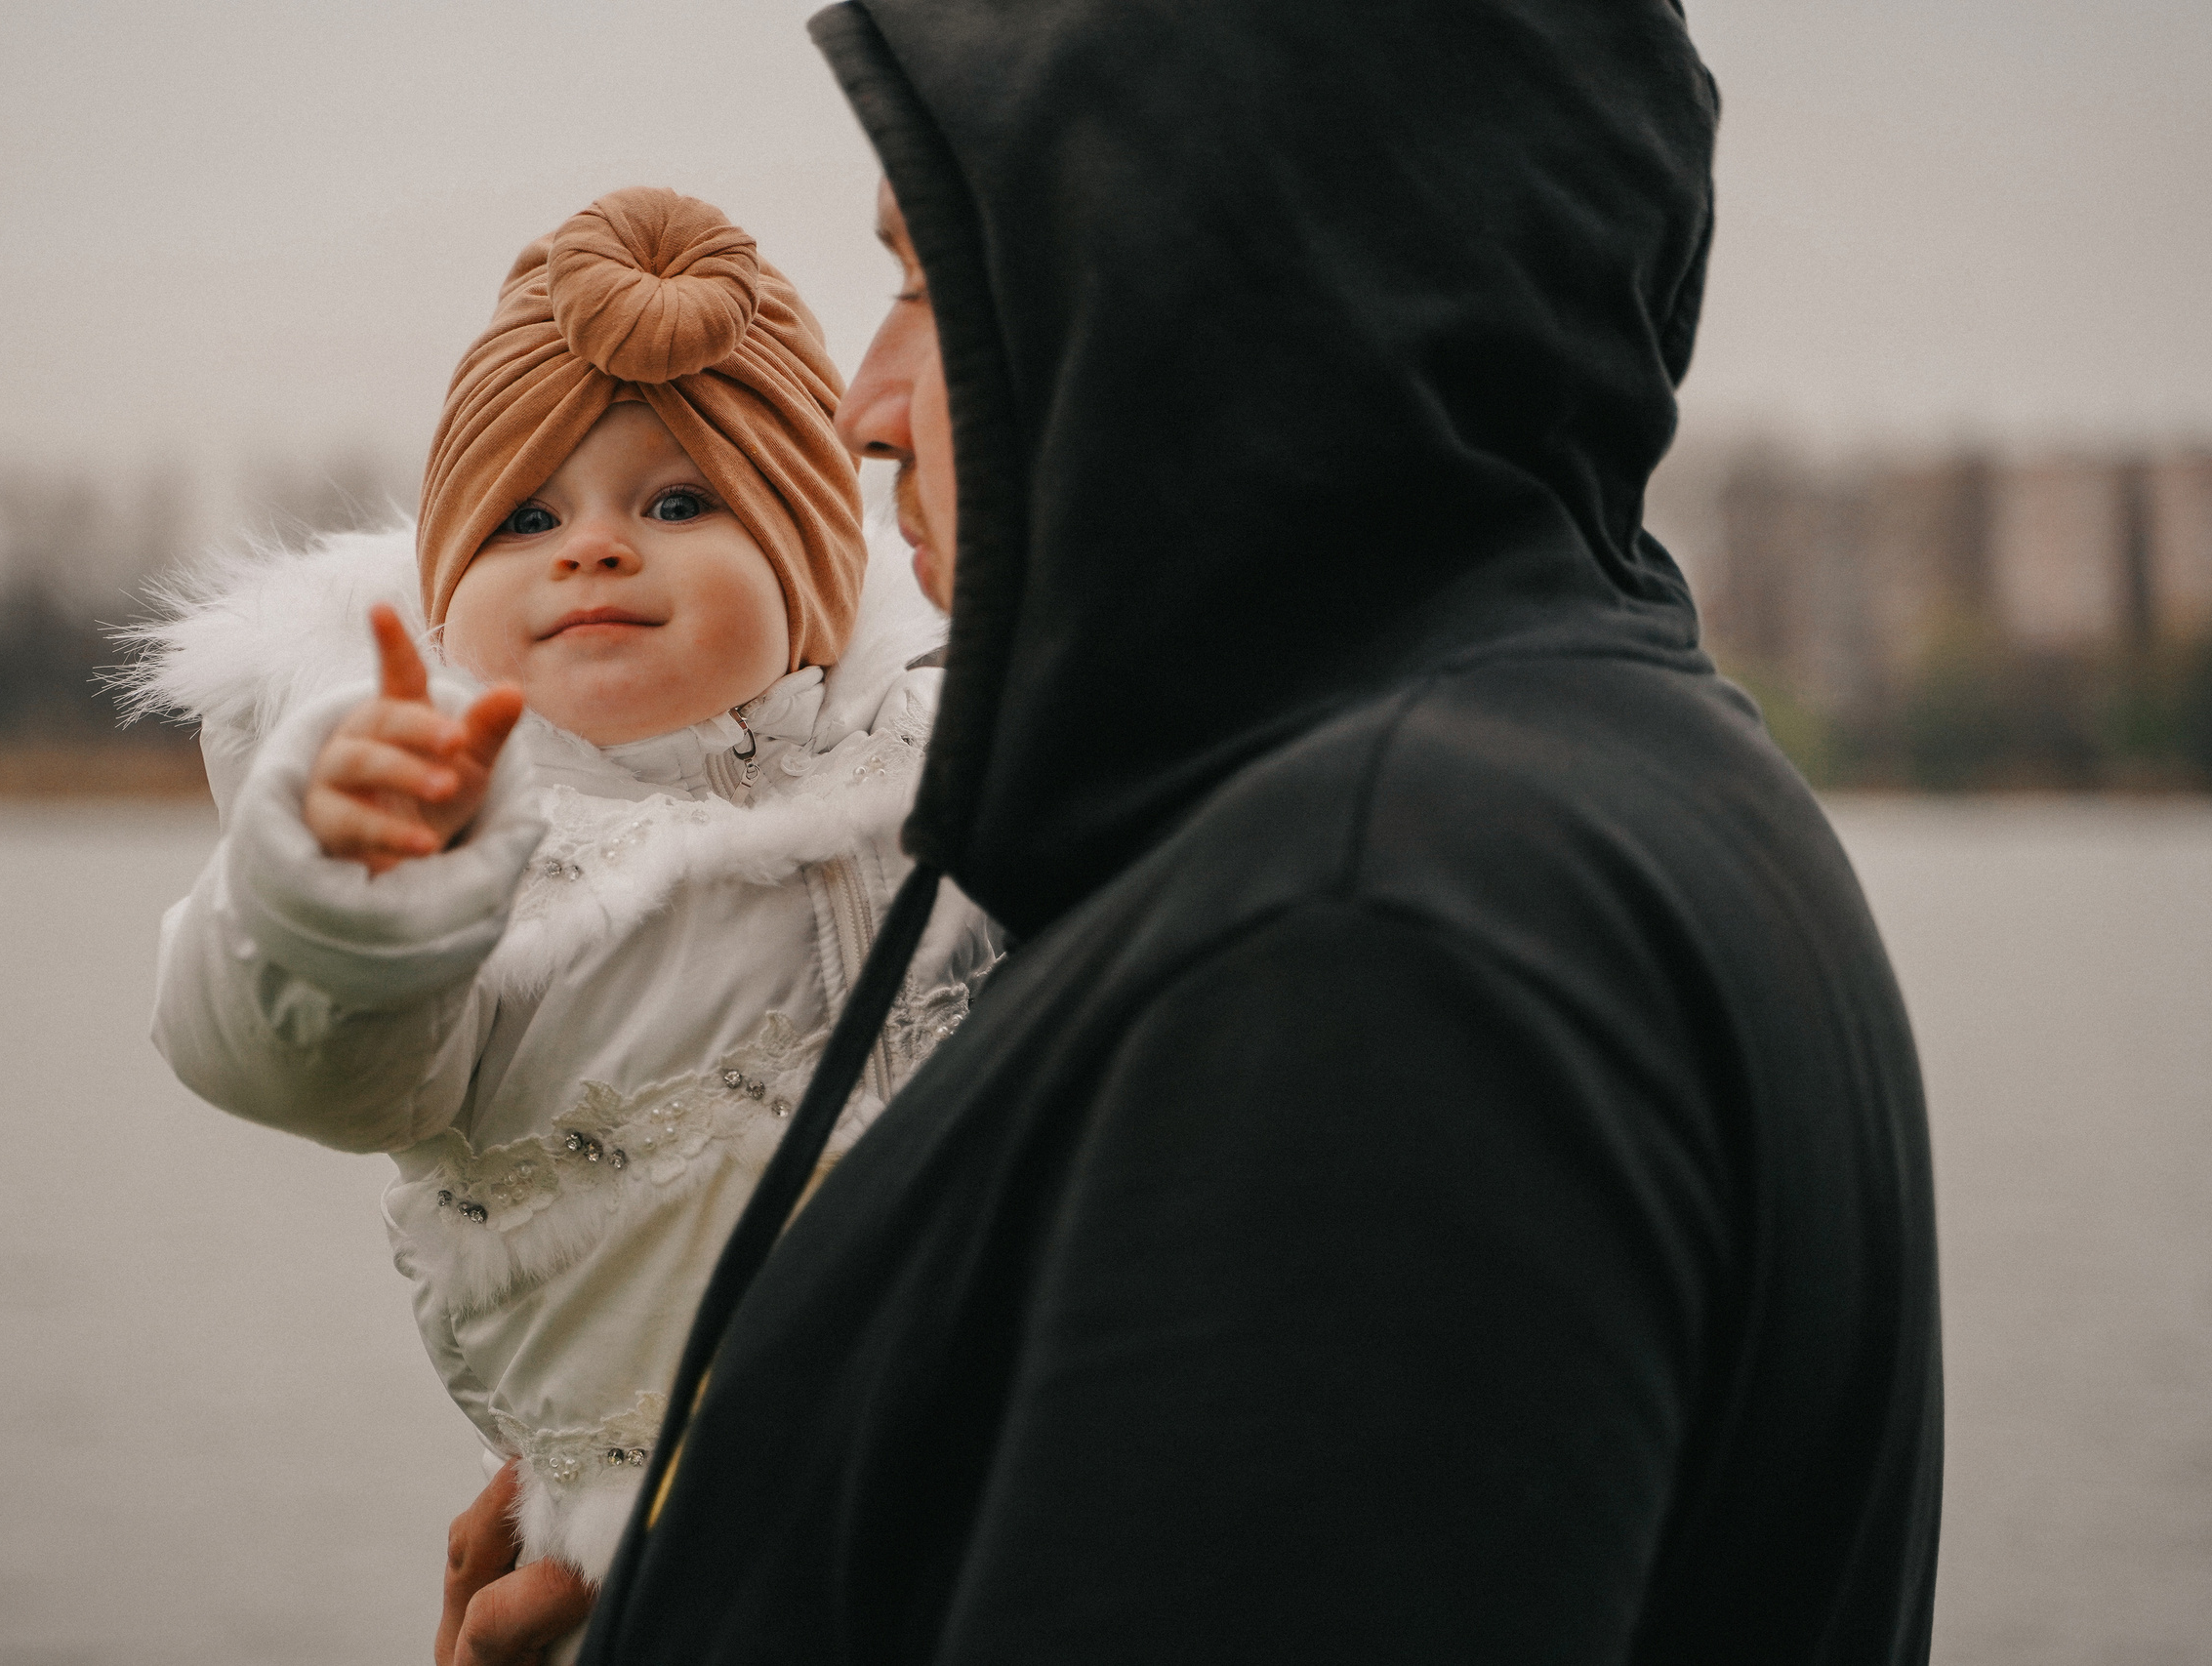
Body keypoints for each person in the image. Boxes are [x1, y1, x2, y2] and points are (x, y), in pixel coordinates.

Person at [415, 1, 1947, 1661]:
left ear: (1192, 276)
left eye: (932, 284)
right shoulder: (1599, 784)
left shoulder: (1375, 939)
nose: (865, 407)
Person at [127, 185, 999, 1658]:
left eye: (677, 502)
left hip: (968, 1476)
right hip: (642, 1549)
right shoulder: (476, 850)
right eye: (528, 519)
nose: (594, 550)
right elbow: (287, 1061)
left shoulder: (942, 754)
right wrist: (347, 888)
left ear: (814, 570)